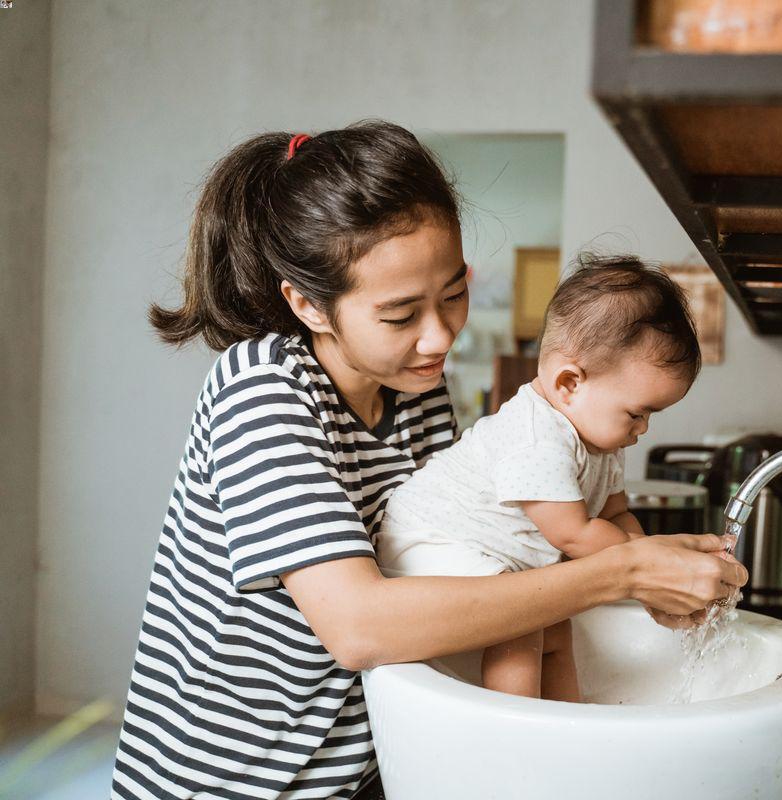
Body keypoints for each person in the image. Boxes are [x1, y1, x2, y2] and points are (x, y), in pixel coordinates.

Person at [110, 120, 746, 800]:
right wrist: (622, 570)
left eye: (453, 293)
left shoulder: (413, 389)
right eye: (400, 314)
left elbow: (460, 558)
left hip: (359, 765)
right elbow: (358, 627)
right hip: (231, 781)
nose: (439, 336)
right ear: (309, 305)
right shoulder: (263, 389)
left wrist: (643, 573)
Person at [378, 256, 704, 700]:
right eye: (637, 412)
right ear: (570, 383)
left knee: (557, 628)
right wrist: (647, 565)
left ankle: (570, 718)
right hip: (428, 540)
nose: (643, 428)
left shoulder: (602, 440)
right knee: (521, 627)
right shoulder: (536, 436)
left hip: (494, 555)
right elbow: (574, 535)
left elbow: (618, 515)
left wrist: (649, 563)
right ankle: (516, 732)